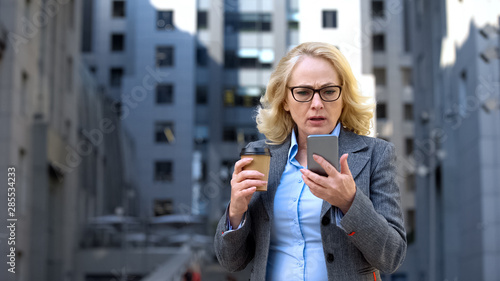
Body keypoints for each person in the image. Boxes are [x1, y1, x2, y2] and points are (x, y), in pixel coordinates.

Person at [214, 42, 407, 280]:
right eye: (303, 92)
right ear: (285, 100)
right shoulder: (259, 155)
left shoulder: (377, 154)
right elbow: (231, 261)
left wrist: (350, 202)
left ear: (343, 96)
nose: (317, 104)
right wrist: (236, 211)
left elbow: (392, 256)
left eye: (328, 91)